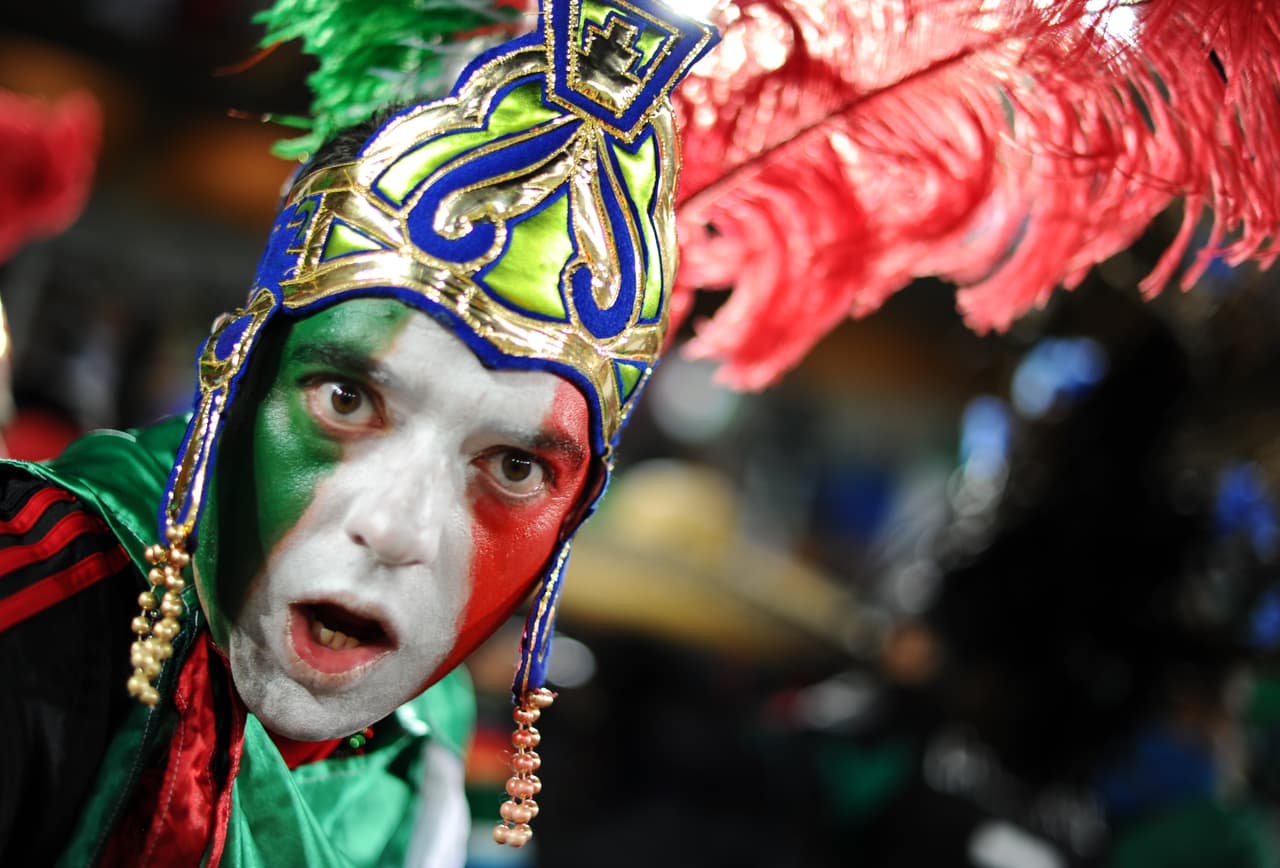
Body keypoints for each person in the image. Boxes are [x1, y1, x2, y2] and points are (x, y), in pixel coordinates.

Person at [0, 0, 719, 864]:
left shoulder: (430, 751)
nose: (397, 528)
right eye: (346, 400)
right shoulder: (33, 605)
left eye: (517, 465)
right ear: (235, 379)